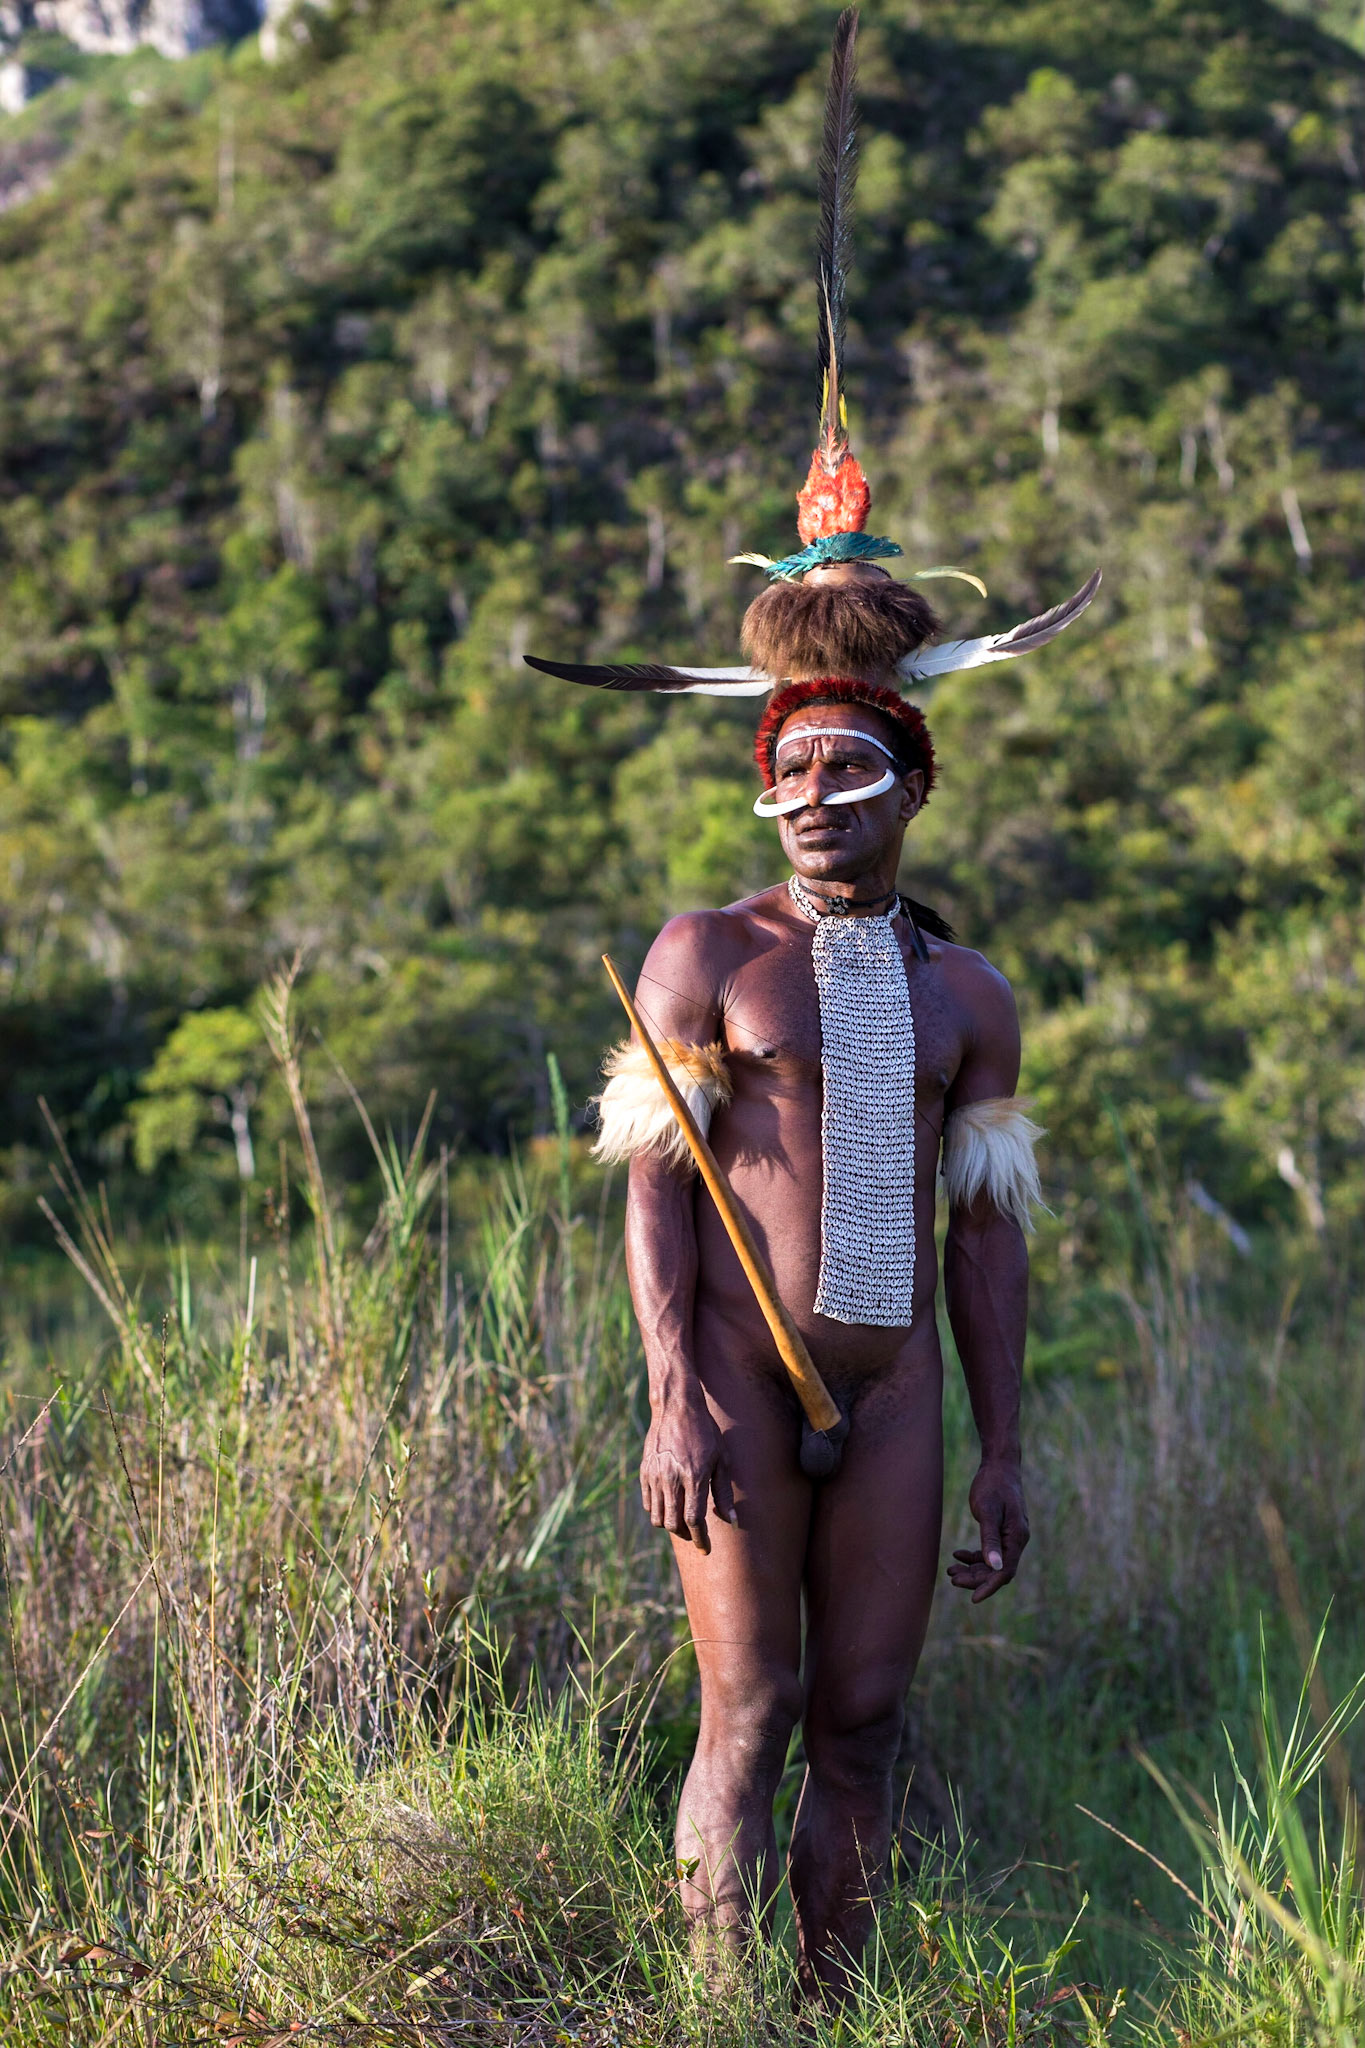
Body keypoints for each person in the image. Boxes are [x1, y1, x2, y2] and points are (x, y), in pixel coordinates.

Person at [523, 10, 1098, 2000]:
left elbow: (984, 1237)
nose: (813, 796)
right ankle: (717, 2018)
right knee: (748, 1715)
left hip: (900, 1387)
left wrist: (1003, 1445)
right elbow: (654, 1191)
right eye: (787, 771)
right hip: (742, 1385)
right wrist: (671, 1389)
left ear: (909, 784)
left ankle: (832, 2017)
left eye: (848, 768)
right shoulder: (703, 954)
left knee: (862, 1725)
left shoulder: (966, 992)